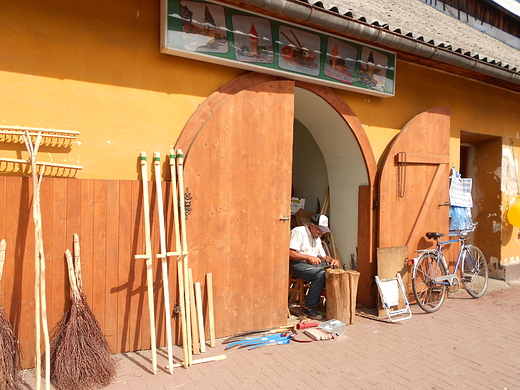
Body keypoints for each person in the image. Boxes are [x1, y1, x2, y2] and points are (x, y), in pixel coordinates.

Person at [289, 213, 340, 320]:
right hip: (296, 264)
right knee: (320, 275)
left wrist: (331, 260)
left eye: (322, 231)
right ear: (312, 225)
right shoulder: (299, 231)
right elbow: (290, 253)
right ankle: (308, 307)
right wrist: (308, 257)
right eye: (319, 229)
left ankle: (329, 304)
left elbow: (322, 256)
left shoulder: (317, 237)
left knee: (331, 271)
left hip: (309, 264)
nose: (320, 233)